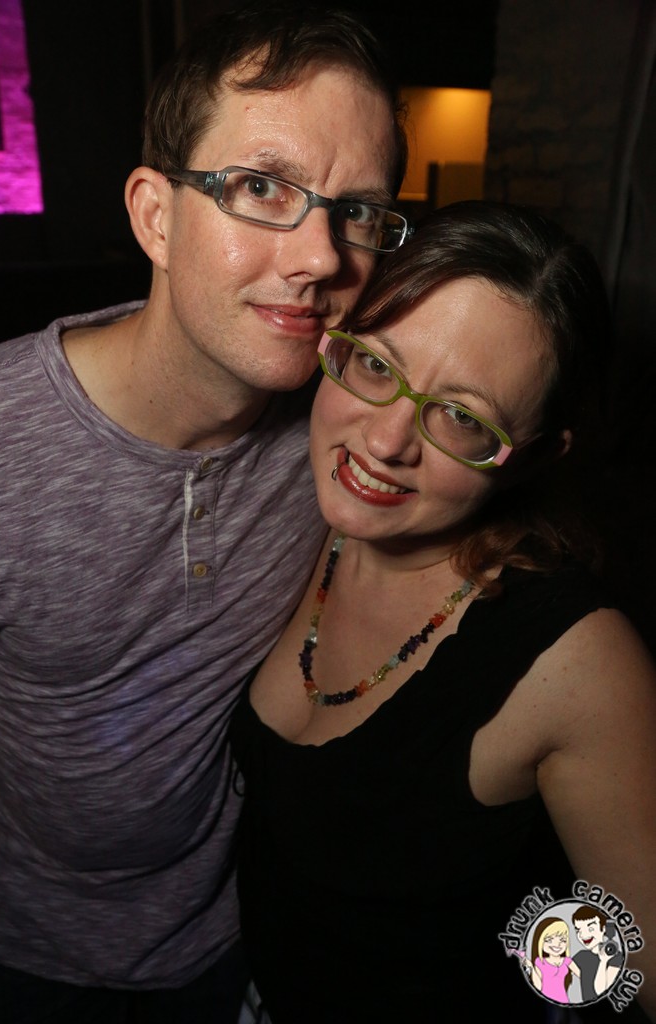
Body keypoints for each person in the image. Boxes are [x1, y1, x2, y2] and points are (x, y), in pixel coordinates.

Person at [0, 2, 409, 1021]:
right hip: (42, 963)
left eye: (355, 211)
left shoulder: (342, 424)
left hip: (255, 942)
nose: (320, 258)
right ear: (155, 216)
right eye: (261, 187)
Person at [229, 201, 656, 1022]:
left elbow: (636, 966)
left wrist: (553, 990)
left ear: (533, 455)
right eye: (375, 365)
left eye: (461, 417)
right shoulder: (307, 520)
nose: (386, 442)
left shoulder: (577, 664)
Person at [572, 906, 625, 1002]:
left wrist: (603, 961)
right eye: (578, 930)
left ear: (603, 928)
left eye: (591, 929)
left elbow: (600, 991)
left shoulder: (616, 957)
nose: (583, 935)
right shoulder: (581, 956)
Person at [524, 917, 580, 1004]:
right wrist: (531, 967)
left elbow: (583, 976)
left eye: (563, 940)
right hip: (545, 1001)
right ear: (540, 941)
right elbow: (538, 987)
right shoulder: (539, 962)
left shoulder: (567, 961)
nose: (557, 944)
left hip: (564, 1001)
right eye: (549, 940)